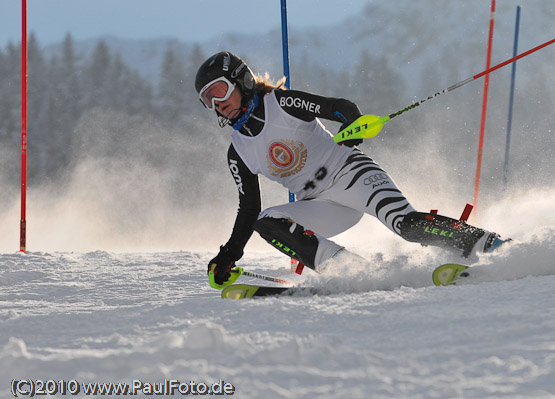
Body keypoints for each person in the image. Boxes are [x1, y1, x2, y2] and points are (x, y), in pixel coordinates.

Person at [196, 51, 507, 286]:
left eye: (219, 91)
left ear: (242, 80)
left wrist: (353, 124)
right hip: (320, 205)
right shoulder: (238, 151)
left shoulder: (282, 103)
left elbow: (339, 108)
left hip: (351, 173)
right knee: (266, 222)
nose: (217, 104)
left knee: (405, 224)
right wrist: (229, 254)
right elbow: (249, 208)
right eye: (207, 99)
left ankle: (490, 244)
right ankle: (353, 272)